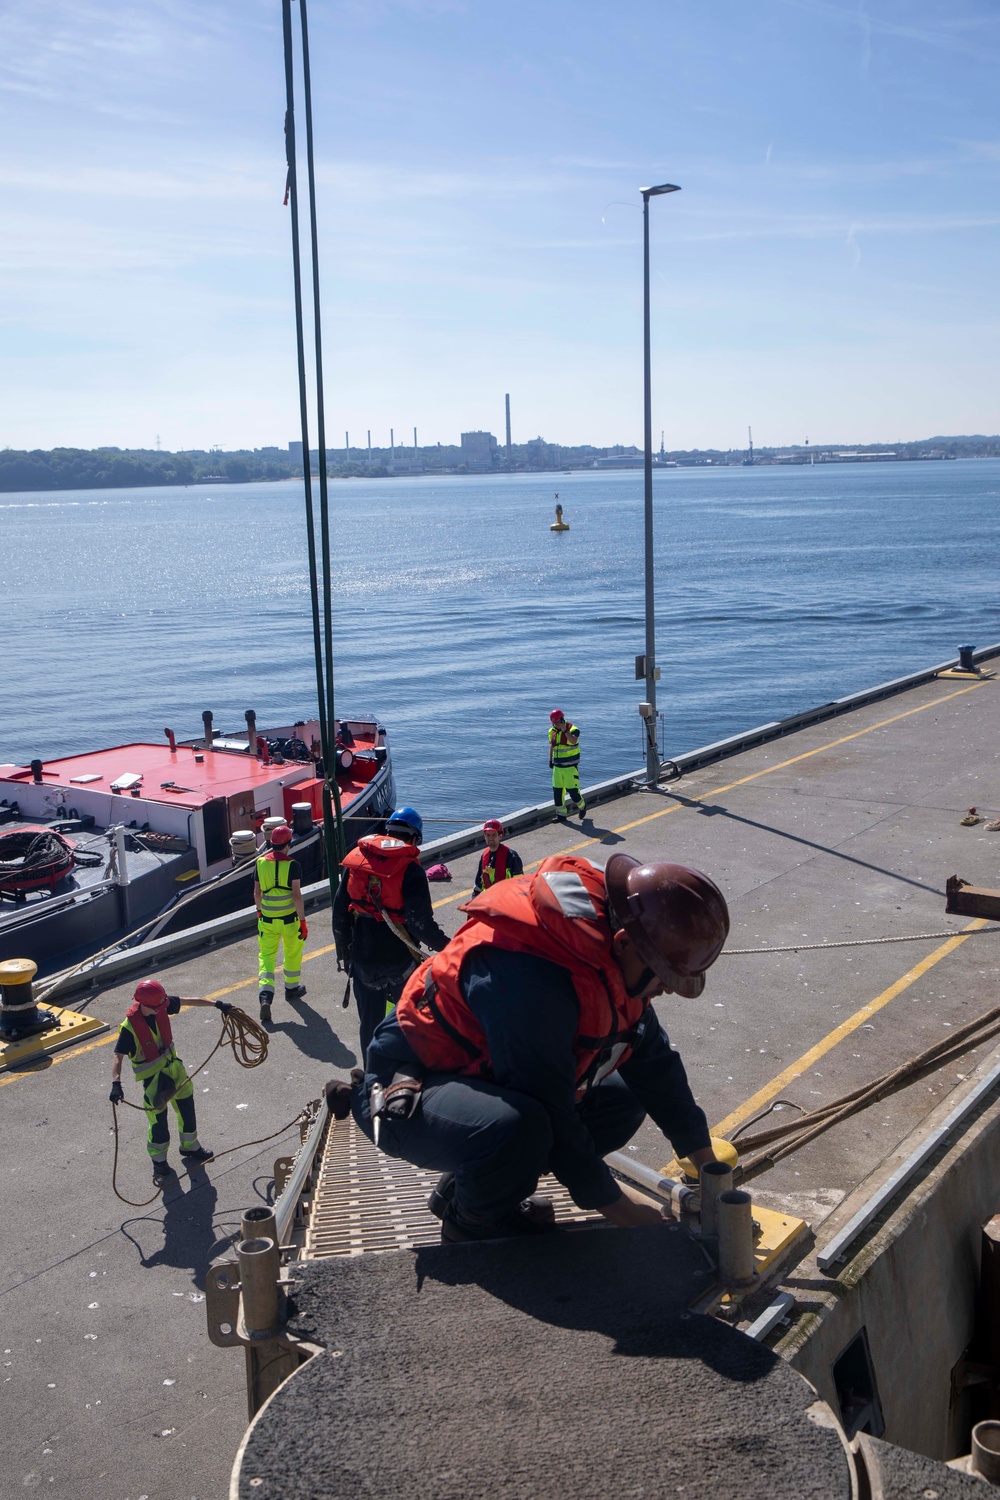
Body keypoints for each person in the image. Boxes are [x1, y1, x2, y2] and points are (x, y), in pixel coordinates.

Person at [348, 852, 729, 1242]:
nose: (665, 988)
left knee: (624, 1098)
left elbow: (656, 1067)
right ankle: (468, 1230)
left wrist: (706, 1165)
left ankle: (465, 1190)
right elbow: (551, 1108)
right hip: (407, 1090)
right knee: (522, 1128)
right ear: (625, 942)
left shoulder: (615, 963)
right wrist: (624, 1211)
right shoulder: (531, 978)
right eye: (664, 975)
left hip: (477, 1080)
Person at [333, 806, 450, 1062]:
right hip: (401, 962)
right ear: (415, 838)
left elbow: (339, 913)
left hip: (363, 962)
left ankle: (371, 1076)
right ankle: (403, 1077)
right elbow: (420, 924)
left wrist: (344, 954)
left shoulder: (357, 863)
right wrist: (449, 946)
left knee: (369, 1025)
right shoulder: (411, 871)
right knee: (406, 1022)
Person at [109, 979, 233, 1188]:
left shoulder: (161, 1004)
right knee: (158, 1122)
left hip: (175, 1070)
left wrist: (216, 1004)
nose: (162, 1009)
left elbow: (188, 1001)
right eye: (158, 1007)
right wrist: (116, 1083)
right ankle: (159, 1162)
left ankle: (190, 1146)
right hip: (153, 1080)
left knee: (186, 1108)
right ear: (145, 1005)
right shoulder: (130, 1028)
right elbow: (118, 1057)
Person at [254, 823, 307, 1023]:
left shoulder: (259, 863)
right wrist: (302, 922)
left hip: (267, 920)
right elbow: (296, 896)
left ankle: (265, 997)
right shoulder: (293, 865)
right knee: (292, 952)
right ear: (288, 844)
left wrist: (260, 911)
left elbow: (257, 893)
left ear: (271, 843)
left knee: (266, 957)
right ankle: (292, 989)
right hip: (289, 921)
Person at [549, 708, 586, 819]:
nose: (554, 724)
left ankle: (582, 806)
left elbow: (573, 741)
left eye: (556, 722)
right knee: (557, 791)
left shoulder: (573, 729)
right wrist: (550, 760)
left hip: (570, 767)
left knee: (573, 791)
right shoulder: (552, 731)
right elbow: (551, 745)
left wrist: (565, 730)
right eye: (553, 723)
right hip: (557, 767)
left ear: (561, 720)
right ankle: (561, 814)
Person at [472, 819, 524, 896]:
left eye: (494, 835)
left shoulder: (511, 856)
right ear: (484, 836)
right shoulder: (484, 857)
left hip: (506, 903)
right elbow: (478, 886)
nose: (490, 838)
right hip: (489, 903)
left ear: (500, 835)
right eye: (488, 835)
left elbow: (520, 886)